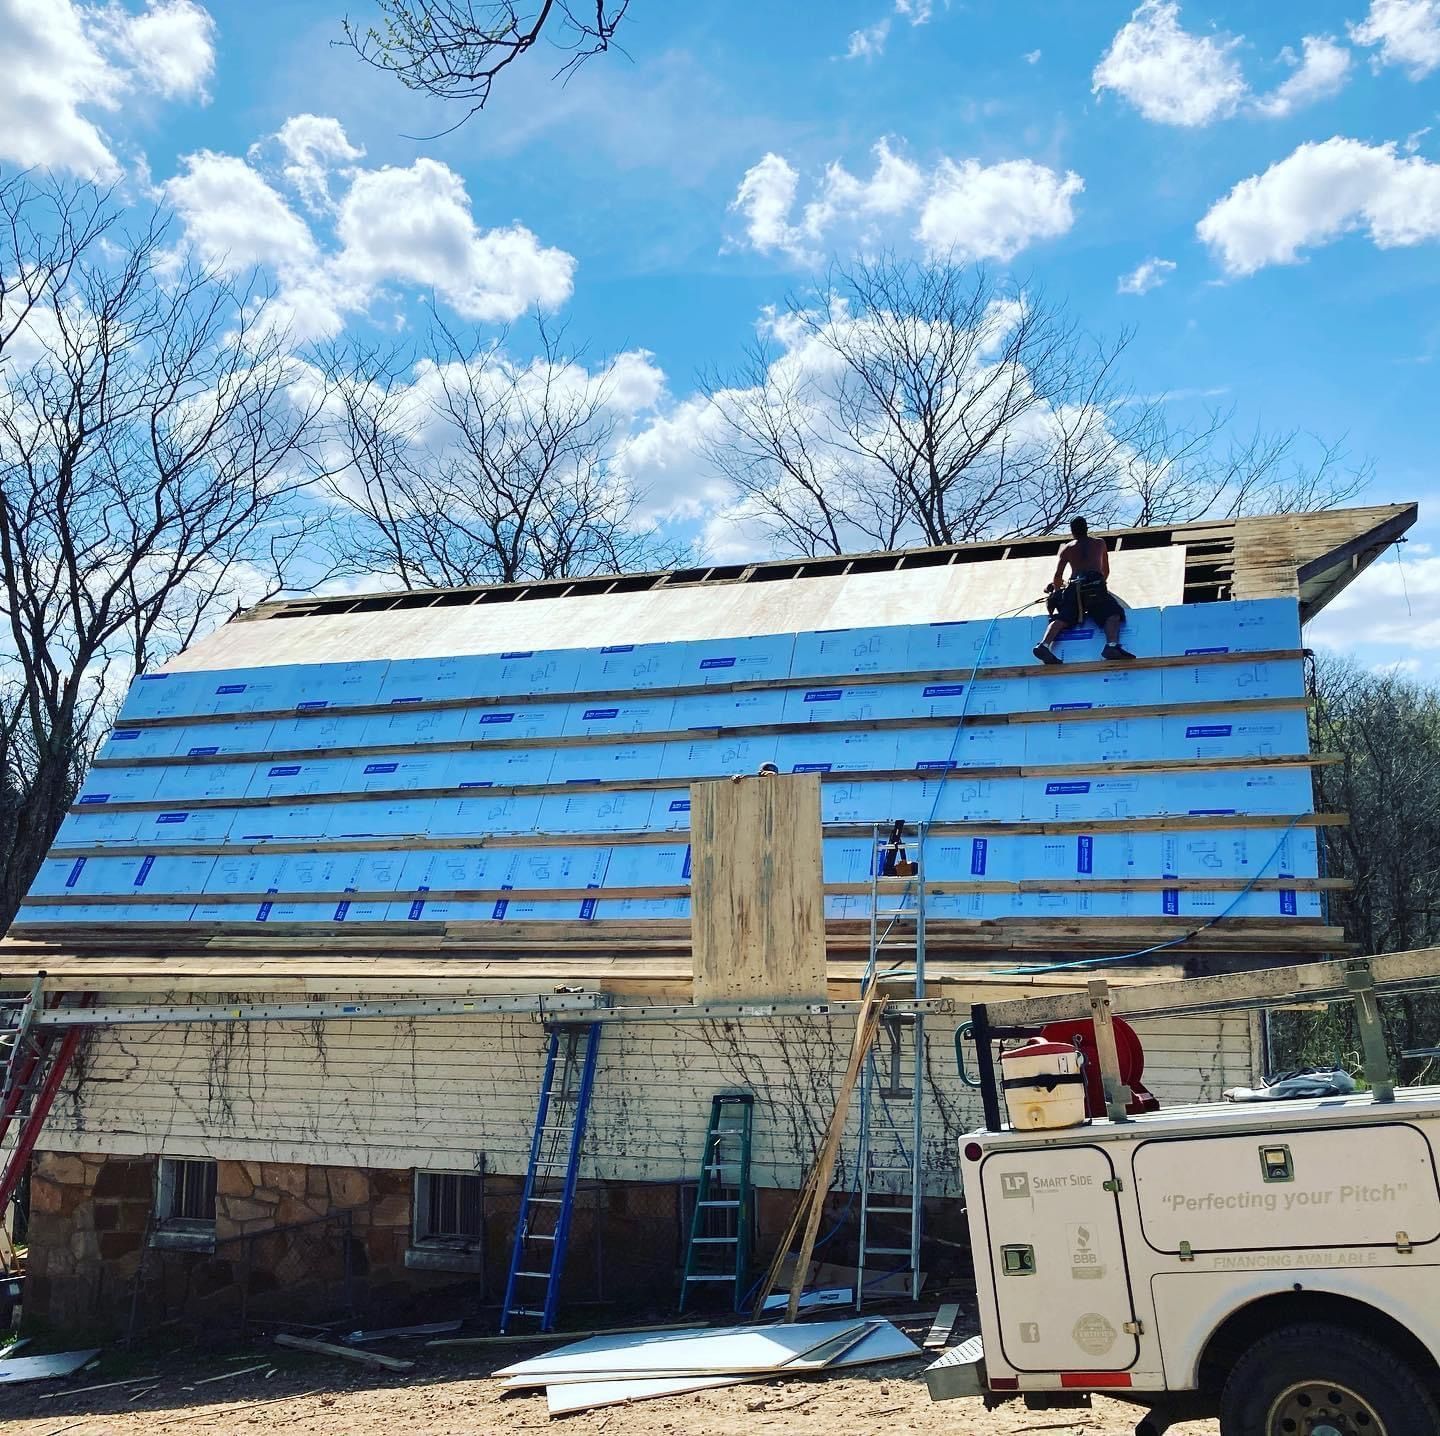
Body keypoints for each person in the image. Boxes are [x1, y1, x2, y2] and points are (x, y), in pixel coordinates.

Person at [1033, 517, 1134, 665]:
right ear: (1087, 528)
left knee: (1063, 617)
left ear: (1072, 531)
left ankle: (1044, 645)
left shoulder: (1067, 548)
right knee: (1113, 613)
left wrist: (1056, 590)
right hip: (1094, 586)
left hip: (1074, 587)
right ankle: (1111, 646)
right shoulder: (1099, 543)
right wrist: (1100, 584)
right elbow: (1105, 570)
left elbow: (1058, 577)